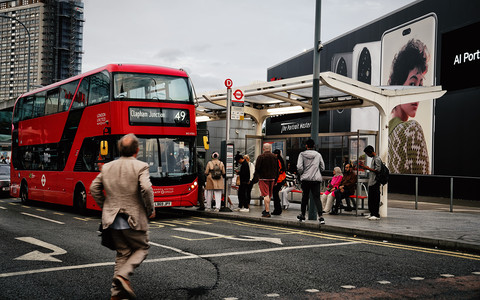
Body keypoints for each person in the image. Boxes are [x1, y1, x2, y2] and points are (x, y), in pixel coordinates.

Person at [89, 134, 155, 300]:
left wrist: (106, 206)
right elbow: (146, 189)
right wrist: (150, 209)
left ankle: (116, 295)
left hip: (112, 220)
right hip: (133, 218)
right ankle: (123, 276)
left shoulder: (107, 167)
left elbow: (93, 188)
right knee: (142, 248)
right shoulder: (141, 166)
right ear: (137, 150)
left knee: (122, 253)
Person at [388, 39, 430, 174]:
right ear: (396, 86)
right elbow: (422, 184)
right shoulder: (412, 129)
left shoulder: (385, 134)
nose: (417, 93)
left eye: (420, 85)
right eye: (412, 84)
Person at [296, 139, 325, 224]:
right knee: (317, 198)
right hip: (315, 180)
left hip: (305, 179)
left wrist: (302, 173)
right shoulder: (318, 155)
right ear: (314, 146)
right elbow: (323, 167)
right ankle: (321, 217)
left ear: (306, 146)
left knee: (305, 197)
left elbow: (299, 167)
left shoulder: (302, 154)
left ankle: (303, 215)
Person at [254, 143, 279, 218]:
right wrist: (276, 179)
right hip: (272, 178)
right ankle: (266, 209)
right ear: (270, 149)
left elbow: (257, 168)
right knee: (269, 195)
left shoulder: (261, 157)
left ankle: (267, 211)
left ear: (263, 149)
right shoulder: (274, 157)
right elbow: (277, 169)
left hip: (263, 178)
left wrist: (256, 178)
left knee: (265, 195)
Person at [360, 145, 382, 220]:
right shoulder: (374, 159)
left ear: (371, 152)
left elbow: (378, 170)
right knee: (371, 199)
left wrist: (367, 168)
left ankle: (376, 214)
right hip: (372, 181)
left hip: (375, 181)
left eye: (367, 154)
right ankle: (372, 213)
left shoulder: (377, 159)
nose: (367, 155)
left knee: (375, 198)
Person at [272, 149, 286, 215]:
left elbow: (277, 171)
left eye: (274, 154)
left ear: (276, 154)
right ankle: (277, 209)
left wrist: (275, 181)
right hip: (281, 179)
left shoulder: (277, 161)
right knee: (276, 195)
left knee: (275, 195)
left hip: (278, 180)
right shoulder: (281, 160)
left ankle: (277, 209)